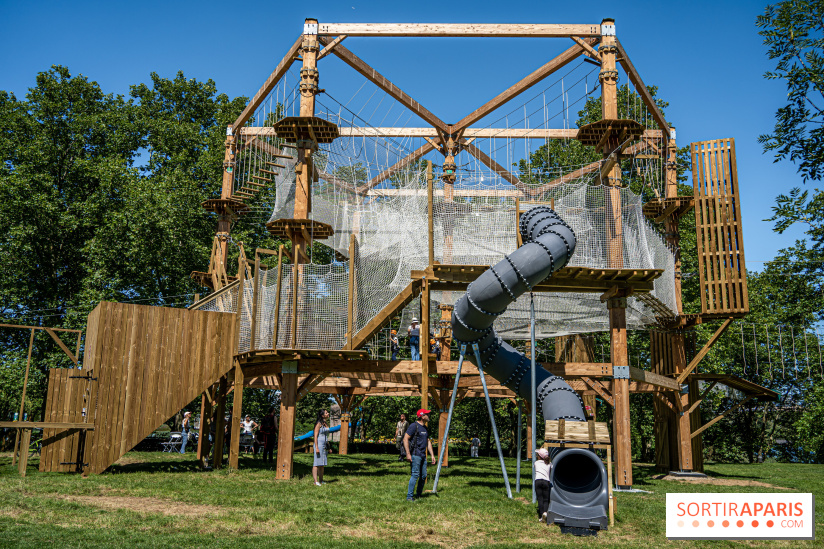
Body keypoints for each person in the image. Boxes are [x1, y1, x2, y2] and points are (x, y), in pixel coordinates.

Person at [403, 409, 436, 502]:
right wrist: (408, 454)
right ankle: (409, 497)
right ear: (422, 416)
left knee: (423, 476)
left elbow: (428, 441)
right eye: (427, 414)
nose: (429, 415)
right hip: (415, 455)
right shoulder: (414, 426)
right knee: (415, 475)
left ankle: (418, 494)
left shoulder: (425, 428)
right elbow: (405, 439)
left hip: (423, 455)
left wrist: (432, 455)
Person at [313, 409, 330, 486]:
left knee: (322, 463)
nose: (328, 413)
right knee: (316, 463)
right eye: (326, 413)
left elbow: (327, 436)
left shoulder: (325, 423)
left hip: (324, 445)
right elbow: (315, 436)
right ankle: (315, 481)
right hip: (319, 444)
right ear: (322, 415)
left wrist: (328, 447)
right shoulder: (318, 423)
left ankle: (321, 480)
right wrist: (316, 447)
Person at [535, 447, 552, 523]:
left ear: (539, 456)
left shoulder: (536, 463)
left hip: (538, 481)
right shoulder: (549, 464)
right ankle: (545, 513)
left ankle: (541, 515)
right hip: (546, 481)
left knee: (540, 498)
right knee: (546, 499)